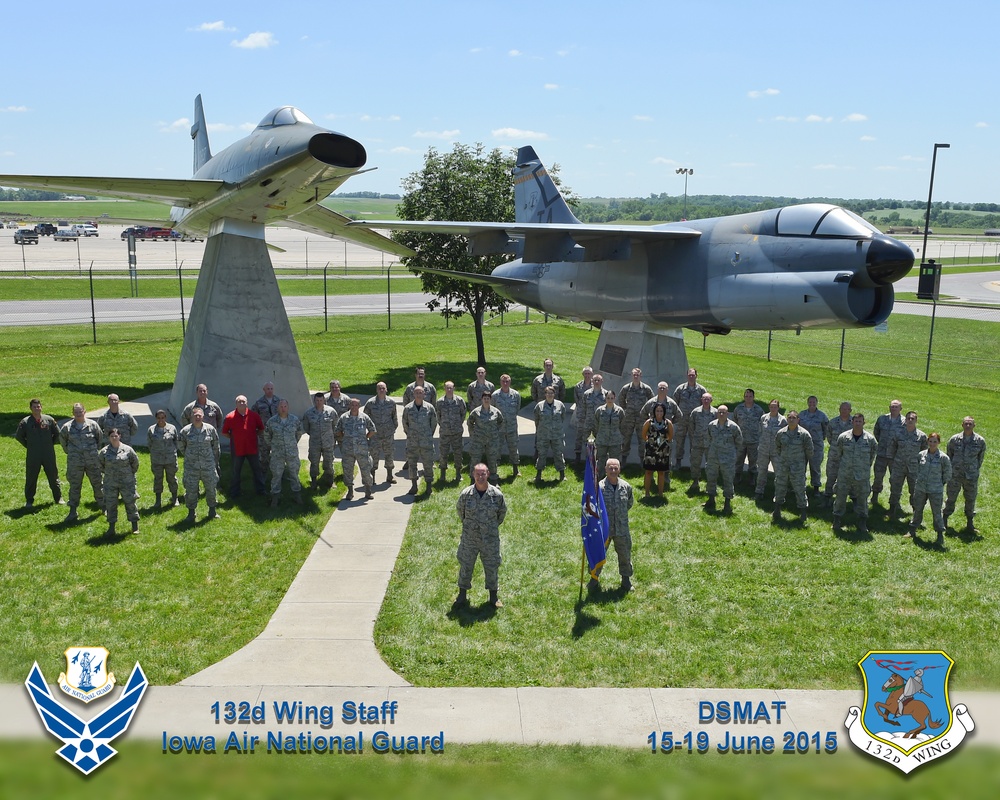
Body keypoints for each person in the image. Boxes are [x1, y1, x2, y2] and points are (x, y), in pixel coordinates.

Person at [455, 463, 507, 609]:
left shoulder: (496, 495)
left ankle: (493, 596)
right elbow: (461, 512)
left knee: (492, 566)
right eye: (477, 474)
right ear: (473, 475)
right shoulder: (466, 494)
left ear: (488, 474)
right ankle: (462, 595)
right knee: (466, 565)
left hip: (489, 539)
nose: (480, 477)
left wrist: (490, 527)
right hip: (469, 538)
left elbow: (501, 514)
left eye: (483, 473)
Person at [589, 458, 634, 592]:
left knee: (625, 555)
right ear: (606, 469)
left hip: (621, 528)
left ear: (619, 469)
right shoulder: (599, 487)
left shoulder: (626, 487)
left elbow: (629, 504)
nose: (613, 470)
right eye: (611, 468)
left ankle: (626, 580)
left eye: (616, 468)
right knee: (598, 554)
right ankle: (593, 579)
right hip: (604, 529)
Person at [833, 413, 878, 535]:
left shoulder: (870, 439)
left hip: (862, 475)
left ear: (864, 423)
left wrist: (863, 467)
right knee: (840, 497)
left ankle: (862, 521)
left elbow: (872, 456)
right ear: (852, 422)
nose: (858, 423)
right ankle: (837, 519)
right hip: (845, 473)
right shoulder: (843, 437)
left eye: (860, 421)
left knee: (862, 499)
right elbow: (839, 453)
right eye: (855, 421)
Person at [59, 403, 104, 522]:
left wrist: (93, 452)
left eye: (80, 411)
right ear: (73, 413)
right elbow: (63, 441)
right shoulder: (67, 427)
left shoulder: (93, 425)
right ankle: (73, 511)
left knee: (98, 483)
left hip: (92, 461)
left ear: (85, 411)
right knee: (74, 486)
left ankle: (104, 507)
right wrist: (71, 452)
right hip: (75, 462)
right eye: (76, 412)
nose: (78, 414)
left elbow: (99, 439)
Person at [15, 398, 62, 510]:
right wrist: (29, 445)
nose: (37, 408)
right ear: (31, 408)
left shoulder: (49, 420)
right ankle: (29, 500)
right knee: (31, 477)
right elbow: (19, 436)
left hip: (48, 453)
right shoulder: (25, 422)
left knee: (53, 475)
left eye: (38, 406)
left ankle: (58, 497)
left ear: (41, 407)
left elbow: (58, 434)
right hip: (33, 455)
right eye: (34, 407)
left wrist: (50, 443)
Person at [177, 407, 221, 523]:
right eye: (195, 415)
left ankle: (212, 511)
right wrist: (189, 456)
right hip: (192, 467)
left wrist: (213, 461)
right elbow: (181, 446)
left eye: (199, 415)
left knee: (211, 488)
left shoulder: (210, 430)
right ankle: (191, 513)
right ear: (191, 417)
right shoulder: (185, 431)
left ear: (203, 417)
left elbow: (216, 447)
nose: (197, 417)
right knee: (191, 491)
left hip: (208, 466)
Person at [908, 433, 952, 547]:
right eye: (930, 441)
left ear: (938, 443)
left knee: (937, 512)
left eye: (935, 441)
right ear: (927, 442)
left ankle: (939, 534)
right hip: (921, 488)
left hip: (935, 489)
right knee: (917, 509)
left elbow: (947, 473)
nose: (932, 444)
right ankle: (912, 530)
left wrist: (940, 483)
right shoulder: (921, 455)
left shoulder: (943, 457)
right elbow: (915, 468)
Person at [944, 416, 987, 534]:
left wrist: (973, 469)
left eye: (970, 424)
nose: (968, 426)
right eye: (966, 424)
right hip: (955, 475)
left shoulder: (980, 441)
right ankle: (944, 521)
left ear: (974, 425)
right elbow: (949, 455)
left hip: (971, 476)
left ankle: (970, 523)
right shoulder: (954, 439)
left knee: (970, 499)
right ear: (962, 425)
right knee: (951, 498)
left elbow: (980, 459)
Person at [221, 396, 267, 497]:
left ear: (247, 403)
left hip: (252, 448)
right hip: (237, 449)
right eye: (239, 401)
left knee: (257, 470)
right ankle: (235, 492)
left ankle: (261, 490)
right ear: (236, 404)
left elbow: (261, 429)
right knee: (235, 471)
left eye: (243, 401)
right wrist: (234, 437)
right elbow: (224, 432)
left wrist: (253, 436)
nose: (241, 403)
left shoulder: (254, 416)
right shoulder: (230, 417)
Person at [772, 410, 813, 524]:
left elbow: (809, 450)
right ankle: (777, 510)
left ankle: (803, 512)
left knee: (800, 488)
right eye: (789, 417)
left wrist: (801, 462)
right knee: (780, 486)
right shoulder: (781, 433)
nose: (791, 420)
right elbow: (777, 447)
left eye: (793, 418)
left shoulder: (804, 434)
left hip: (798, 466)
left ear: (798, 420)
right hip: (783, 465)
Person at [98, 429, 140, 535]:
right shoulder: (104, 452)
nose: (114, 438)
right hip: (110, 482)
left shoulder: (128, 450)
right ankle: (111, 528)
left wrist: (128, 474)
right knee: (111, 504)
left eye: (116, 436)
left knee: (130, 502)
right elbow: (100, 465)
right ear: (109, 437)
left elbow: (135, 463)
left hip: (127, 482)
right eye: (112, 436)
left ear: (120, 436)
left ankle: (134, 526)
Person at [887, 411, 927, 518]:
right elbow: (892, 448)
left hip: (914, 468)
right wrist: (893, 462)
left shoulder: (921, 436)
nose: (910, 420)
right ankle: (892, 510)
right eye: (908, 418)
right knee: (895, 489)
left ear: (916, 421)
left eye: (912, 419)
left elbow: (925, 453)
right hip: (899, 466)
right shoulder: (898, 433)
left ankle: (916, 514)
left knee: (915, 491)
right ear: (905, 420)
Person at [335, 397, 376, 501]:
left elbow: (372, 429)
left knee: (366, 470)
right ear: (349, 405)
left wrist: (365, 437)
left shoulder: (364, 417)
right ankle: (350, 491)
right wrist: (344, 438)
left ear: (359, 406)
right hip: (348, 449)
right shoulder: (344, 417)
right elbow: (338, 430)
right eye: (352, 405)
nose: (354, 407)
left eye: (356, 405)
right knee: (348, 470)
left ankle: (368, 490)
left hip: (361, 449)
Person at [265, 399, 304, 506]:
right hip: (278, 454)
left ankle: (297, 496)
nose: (283, 408)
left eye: (285, 406)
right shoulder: (271, 421)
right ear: (277, 408)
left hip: (292, 453)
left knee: (294, 475)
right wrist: (275, 446)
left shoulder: (294, 420)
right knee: (276, 475)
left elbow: (298, 434)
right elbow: (267, 436)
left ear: (288, 407)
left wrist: (291, 444)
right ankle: (275, 498)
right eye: (281, 406)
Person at [705, 405, 743, 513]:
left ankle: (727, 503)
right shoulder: (711, 425)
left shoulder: (733, 427)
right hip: (713, 457)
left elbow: (739, 442)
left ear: (727, 414)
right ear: (717, 413)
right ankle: (711, 499)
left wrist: (732, 454)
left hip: (728, 458)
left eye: (723, 412)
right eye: (719, 412)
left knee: (728, 480)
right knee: (711, 478)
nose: (721, 414)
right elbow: (708, 439)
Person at [181, 384, 224, 477]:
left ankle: (216, 485)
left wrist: (215, 431)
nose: (202, 393)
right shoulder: (190, 407)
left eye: (204, 391)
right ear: (196, 393)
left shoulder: (213, 406)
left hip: (210, 440)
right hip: (195, 440)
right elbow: (184, 419)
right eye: (200, 391)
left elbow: (219, 418)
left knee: (214, 462)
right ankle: (194, 488)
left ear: (207, 392)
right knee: (194, 465)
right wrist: (190, 432)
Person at [402, 385, 438, 495]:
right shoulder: (408, 408)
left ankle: (428, 487)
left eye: (420, 392)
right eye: (416, 392)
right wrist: (411, 434)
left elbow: (434, 423)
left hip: (426, 441)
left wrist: (428, 434)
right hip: (412, 442)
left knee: (428, 464)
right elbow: (405, 424)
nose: (418, 394)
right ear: (413, 394)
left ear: (424, 394)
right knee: (412, 464)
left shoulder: (430, 408)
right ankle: (414, 486)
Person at [302, 392, 339, 489]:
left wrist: (330, 436)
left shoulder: (331, 412)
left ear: (324, 401)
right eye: (317, 401)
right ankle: (314, 481)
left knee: (329, 462)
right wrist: (315, 435)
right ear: (314, 401)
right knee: (314, 462)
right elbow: (306, 427)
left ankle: (330, 481)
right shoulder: (308, 413)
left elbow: (335, 426)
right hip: (315, 443)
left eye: (321, 400)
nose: (319, 402)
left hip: (328, 443)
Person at [672, 368, 707, 470]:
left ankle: (693, 464)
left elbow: (705, 404)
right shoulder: (680, 389)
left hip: (695, 421)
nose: (691, 377)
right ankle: (678, 462)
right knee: (679, 441)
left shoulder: (701, 390)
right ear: (687, 376)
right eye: (689, 375)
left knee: (694, 443)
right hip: (682, 420)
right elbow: (675, 403)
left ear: (696, 376)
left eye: (693, 375)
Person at [618, 368, 654, 466]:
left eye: (637, 375)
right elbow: (621, 399)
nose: (636, 376)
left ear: (640, 376)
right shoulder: (626, 388)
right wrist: (626, 409)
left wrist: (647, 413)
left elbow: (652, 401)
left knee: (642, 440)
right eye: (634, 374)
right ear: (631, 376)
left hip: (641, 418)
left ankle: (642, 461)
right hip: (629, 418)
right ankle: (624, 460)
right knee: (626, 439)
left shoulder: (646, 388)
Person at [364, 382, 398, 486]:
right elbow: (365, 417)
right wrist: (370, 430)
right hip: (375, 435)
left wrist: (393, 428)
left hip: (388, 434)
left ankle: (389, 476)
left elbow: (394, 417)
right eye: (379, 388)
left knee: (389, 455)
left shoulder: (391, 402)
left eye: (383, 388)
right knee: (374, 456)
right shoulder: (370, 403)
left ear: (386, 389)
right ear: (376, 390)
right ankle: (372, 477)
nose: (381, 390)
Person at [871, 399, 904, 506]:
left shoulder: (904, 422)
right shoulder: (882, 419)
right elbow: (876, 432)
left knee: (895, 480)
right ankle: (874, 497)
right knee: (878, 477)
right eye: (892, 406)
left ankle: (895, 501)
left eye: (896, 407)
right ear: (889, 408)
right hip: (881, 454)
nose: (894, 408)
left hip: (895, 456)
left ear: (900, 409)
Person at [467, 392, 504, 483]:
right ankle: (473, 480)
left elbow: (501, 422)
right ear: (482, 400)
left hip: (492, 440)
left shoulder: (495, 411)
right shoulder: (476, 412)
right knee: (475, 459)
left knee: (492, 460)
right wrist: (473, 434)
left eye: (488, 398)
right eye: (484, 398)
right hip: (478, 440)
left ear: (490, 400)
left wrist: (495, 432)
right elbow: (470, 423)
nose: (486, 400)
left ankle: (494, 480)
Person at [755, 399, 787, 502]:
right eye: (771, 406)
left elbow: (785, 436)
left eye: (775, 406)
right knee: (761, 472)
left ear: (778, 408)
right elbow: (760, 432)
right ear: (769, 407)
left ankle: (779, 494)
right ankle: (759, 491)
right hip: (763, 450)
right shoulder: (764, 418)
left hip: (776, 452)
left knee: (779, 474)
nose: (773, 408)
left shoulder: (782, 420)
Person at [147, 409, 180, 508]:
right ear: (156, 418)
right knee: (158, 479)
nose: (161, 420)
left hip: (170, 459)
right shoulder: (151, 430)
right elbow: (149, 444)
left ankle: (175, 498)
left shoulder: (172, 428)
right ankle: (158, 501)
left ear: (165, 417)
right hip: (157, 460)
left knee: (172, 479)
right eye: (158, 418)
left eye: (163, 417)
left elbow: (176, 442)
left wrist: (171, 451)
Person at [823, 402, 854, 506]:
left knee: (849, 479)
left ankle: (851, 501)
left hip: (848, 458)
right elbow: (829, 437)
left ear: (850, 410)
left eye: (846, 409)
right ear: (839, 409)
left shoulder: (854, 423)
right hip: (834, 456)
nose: (844, 411)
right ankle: (827, 499)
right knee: (831, 477)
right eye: (842, 409)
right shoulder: (833, 422)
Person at [533, 385, 567, 482]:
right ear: (545, 394)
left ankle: (562, 475)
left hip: (557, 435)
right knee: (542, 455)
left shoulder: (560, 405)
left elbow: (562, 417)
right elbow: (536, 419)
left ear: (554, 394)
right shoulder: (539, 406)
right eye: (548, 393)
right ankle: (538, 475)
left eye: (552, 393)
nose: (550, 395)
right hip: (543, 435)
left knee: (559, 454)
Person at [435, 381, 467, 482]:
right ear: (444, 389)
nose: (449, 390)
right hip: (444, 432)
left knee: (458, 454)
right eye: (447, 388)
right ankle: (443, 474)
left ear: (454, 388)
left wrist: (457, 424)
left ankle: (458, 473)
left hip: (457, 432)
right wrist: (444, 425)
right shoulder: (440, 402)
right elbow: (438, 416)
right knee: (443, 454)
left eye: (451, 388)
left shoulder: (459, 401)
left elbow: (463, 413)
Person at [798, 396, 830, 494]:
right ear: (807, 403)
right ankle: (800, 486)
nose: (812, 404)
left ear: (817, 403)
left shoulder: (822, 416)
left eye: (814, 402)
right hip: (803, 445)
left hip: (816, 445)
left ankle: (816, 488)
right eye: (810, 402)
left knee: (815, 467)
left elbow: (826, 429)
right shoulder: (802, 414)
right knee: (800, 466)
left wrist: (821, 438)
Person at [641, 402, 673, 498]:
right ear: (654, 412)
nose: (659, 412)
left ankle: (660, 493)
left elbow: (670, 436)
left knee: (661, 473)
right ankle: (647, 493)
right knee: (648, 472)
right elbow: (643, 435)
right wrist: (651, 441)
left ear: (664, 412)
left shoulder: (668, 423)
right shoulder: (649, 422)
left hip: (663, 452)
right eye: (657, 410)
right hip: (650, 451)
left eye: (661, 411)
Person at [492, 375, 522, 476]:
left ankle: (516, 469)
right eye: (503, 381)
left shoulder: (516, 395)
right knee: (496, 448)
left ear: (510, 382)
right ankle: (494, 469)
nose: (505, 383)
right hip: (499, 428)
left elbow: (517, 408)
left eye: (507, 381)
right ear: (500, 382)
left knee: (513, 448)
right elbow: (492, 410)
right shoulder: (495, 395)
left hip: (512, 427)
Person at [687, 393, 718, 491]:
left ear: (711, 400)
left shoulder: (716, 413)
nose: (706, 401)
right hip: (697, 442)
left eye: (708, 399)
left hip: (710, 443)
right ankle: (695, 481)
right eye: (704, 398)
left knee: (711, 464)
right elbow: (691, 426)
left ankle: (711, 483)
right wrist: (693, 438)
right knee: (695, 463)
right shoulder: (695, 412)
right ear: (701, 399)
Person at [733, 389, 764, 485]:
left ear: (753, 397)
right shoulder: (738, 409)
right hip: (741, 440)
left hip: (754, 441)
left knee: (753, 461)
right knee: (738, 460)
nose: (748, 398)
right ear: (744, 397)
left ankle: (752, 478)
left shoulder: (758, 410)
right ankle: (738, 476)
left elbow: (763, 424)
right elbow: (734, 422)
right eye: (746, 396)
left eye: (750, 396)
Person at [593, 389, 625, 477]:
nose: (610, 400)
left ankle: (614, 479)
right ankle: (600, 479)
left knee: (615, 461)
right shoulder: (600, 411)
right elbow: (596, 424)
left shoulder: (619, 411)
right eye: (608, 398)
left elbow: (623, 425)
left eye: (611, 398)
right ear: (605, 398)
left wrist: (619, 436)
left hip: (615, 441)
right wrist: (598, 435)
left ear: (614, 398)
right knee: (601, 460)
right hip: (602, 440)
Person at [252, 382, 281, 472]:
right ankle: (263, 474)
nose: (270, 390)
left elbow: (283, 414)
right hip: (264, 433)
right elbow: (253, 416)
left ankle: (278, 473)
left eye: (271, 389)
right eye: (268, 389)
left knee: (278, 454)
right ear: (264, 390)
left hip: (276, 433)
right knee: (264, 454)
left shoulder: (279, 401)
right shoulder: (259, 403)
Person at [580, 373, 608, 456]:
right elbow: (583, 408)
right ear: (592, 381)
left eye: (598, 380)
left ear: (602, 381)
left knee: (600, 444)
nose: (596, 382)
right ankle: (588, 463)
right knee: (586, 443)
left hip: (600, 424)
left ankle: (598, 463)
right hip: (588, 423)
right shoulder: (586, 394)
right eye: (595, 380)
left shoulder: (606, 394)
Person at [572, 366, 594, 463]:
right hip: (581, 415)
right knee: (579, 435)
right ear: (583, 374)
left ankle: (589, 457)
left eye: (589, 373)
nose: (587, 375)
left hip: (591, 415)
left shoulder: (595, 385)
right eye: (585, 373)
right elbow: (576, 399)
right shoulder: (578, 386)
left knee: (591, 437)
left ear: (591, 375)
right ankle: (577, 456)